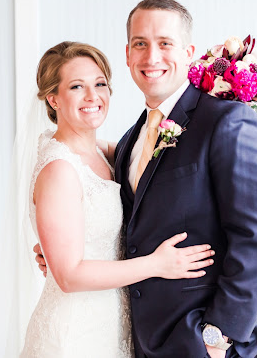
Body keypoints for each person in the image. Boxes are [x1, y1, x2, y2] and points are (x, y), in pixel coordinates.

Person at [35, 0, 257, 358]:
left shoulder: (227, 122)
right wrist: (58, 243)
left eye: (165, 43)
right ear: (128, 55)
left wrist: (218, 337)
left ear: (189, 52)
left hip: (202, 340)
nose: (152, 57)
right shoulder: (129, 141)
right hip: (136, 338)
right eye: (140, 44)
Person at [20, 41, 215, 358]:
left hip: (114, 325)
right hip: (75, 336)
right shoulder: (59, 170)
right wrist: (157, 264)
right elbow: (68, 276)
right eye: (76, 87)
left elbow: (152, 152)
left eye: (99, 84)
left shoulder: (106, 152)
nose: (92, 97)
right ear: (53, 98)